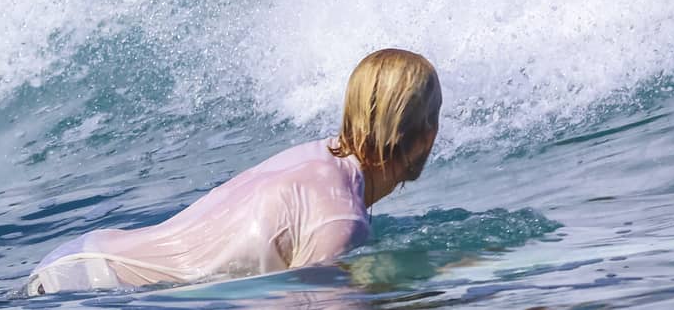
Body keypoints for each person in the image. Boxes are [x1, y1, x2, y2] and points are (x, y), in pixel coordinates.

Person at [24, 49, 442, 295]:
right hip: (96, 291)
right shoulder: (340, 219)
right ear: (426, 134)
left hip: (81, 263)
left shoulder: (320, 162)